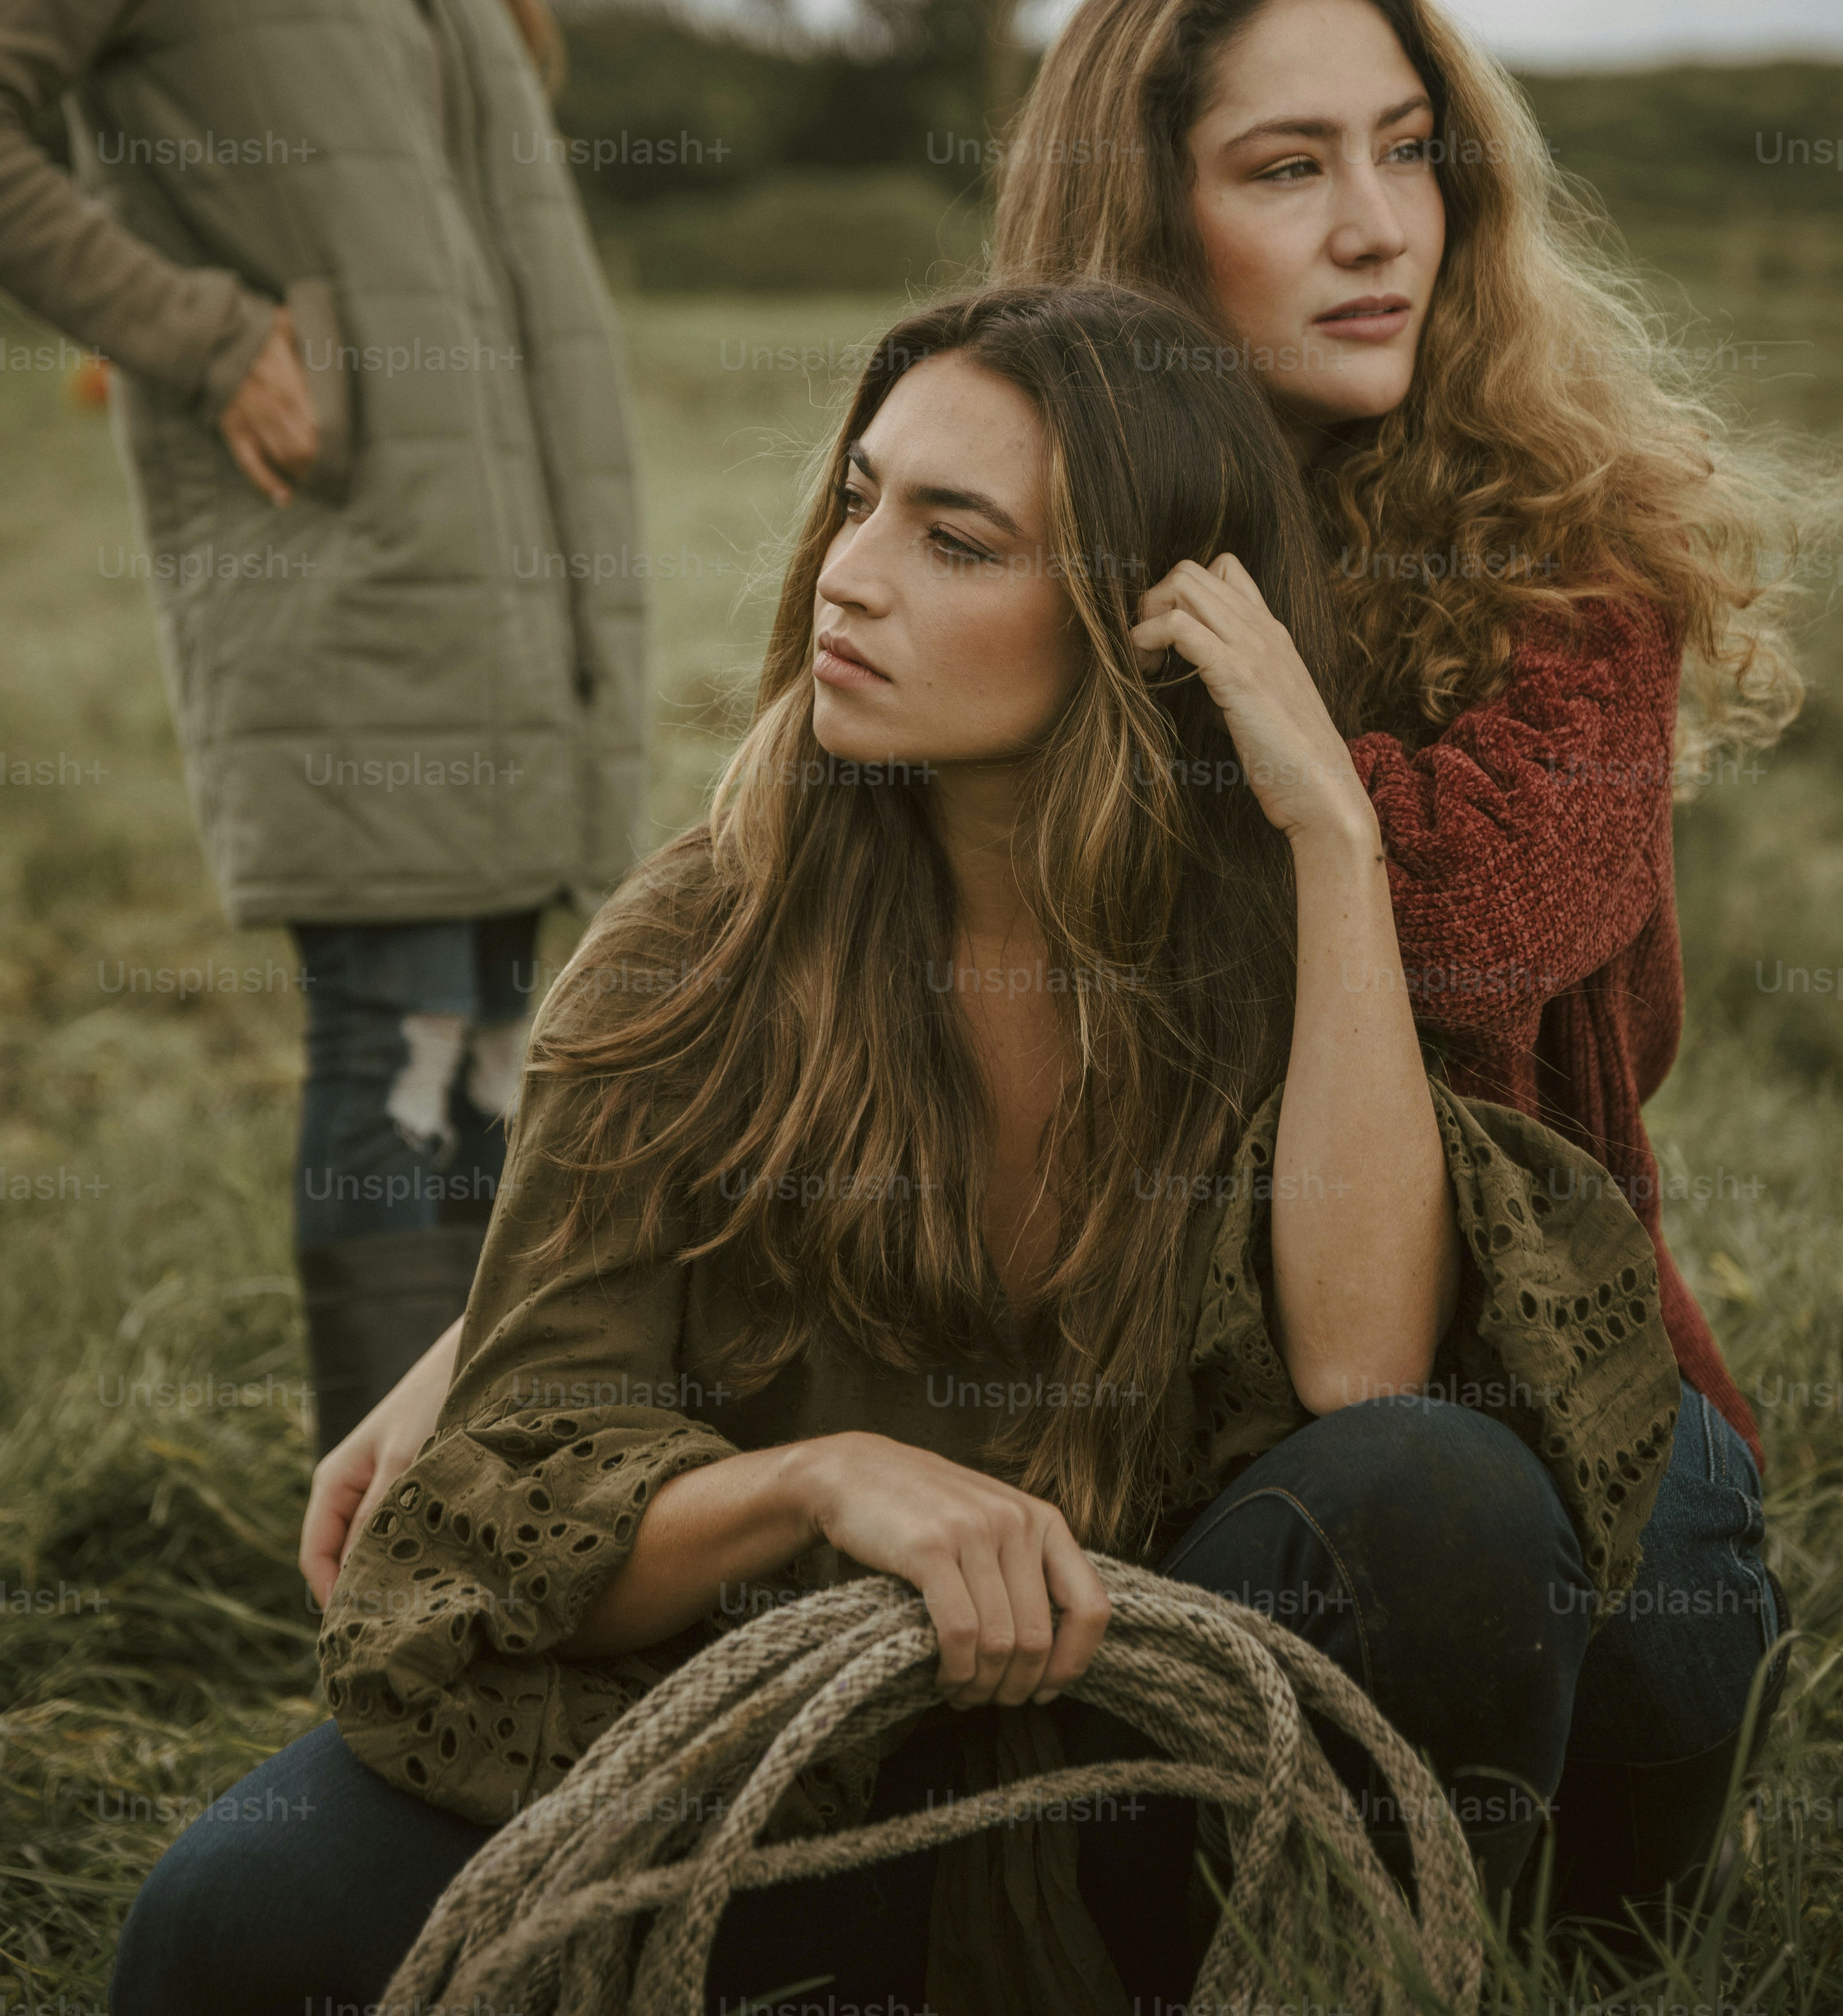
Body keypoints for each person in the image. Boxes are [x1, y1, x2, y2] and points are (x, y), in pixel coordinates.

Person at [298, 0, 1807, 1923]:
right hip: (1100, 1343)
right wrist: (515, 1323)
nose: (1379, 228)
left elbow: (1471, 925)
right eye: (1287, 169)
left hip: (1496, 1350)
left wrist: (1261, 761)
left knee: (1562, 1560)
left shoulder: (1556, 563)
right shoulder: (998, 494)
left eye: (1409, 150)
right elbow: (809, 844)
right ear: (1141, 228)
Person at [114, 279, 1734, 2016]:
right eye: (860, 497)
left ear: (1142, 623)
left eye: (955, 540)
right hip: (754, 1753)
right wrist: (818, 1484)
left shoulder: (1278, 951)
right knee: (230, 1924)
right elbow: (506, 1516)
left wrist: (1334, 841)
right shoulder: (694, 949)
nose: (849, 569)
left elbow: (1364, 1376)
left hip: (1133, 1774)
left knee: (1442, 1484)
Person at [0, 0, 647, 1446]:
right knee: (394, 1053)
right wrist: (195, 327)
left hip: (511, 584)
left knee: (480, 1072)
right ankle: (398, 1623)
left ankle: (495, 1565)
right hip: (350, 569)